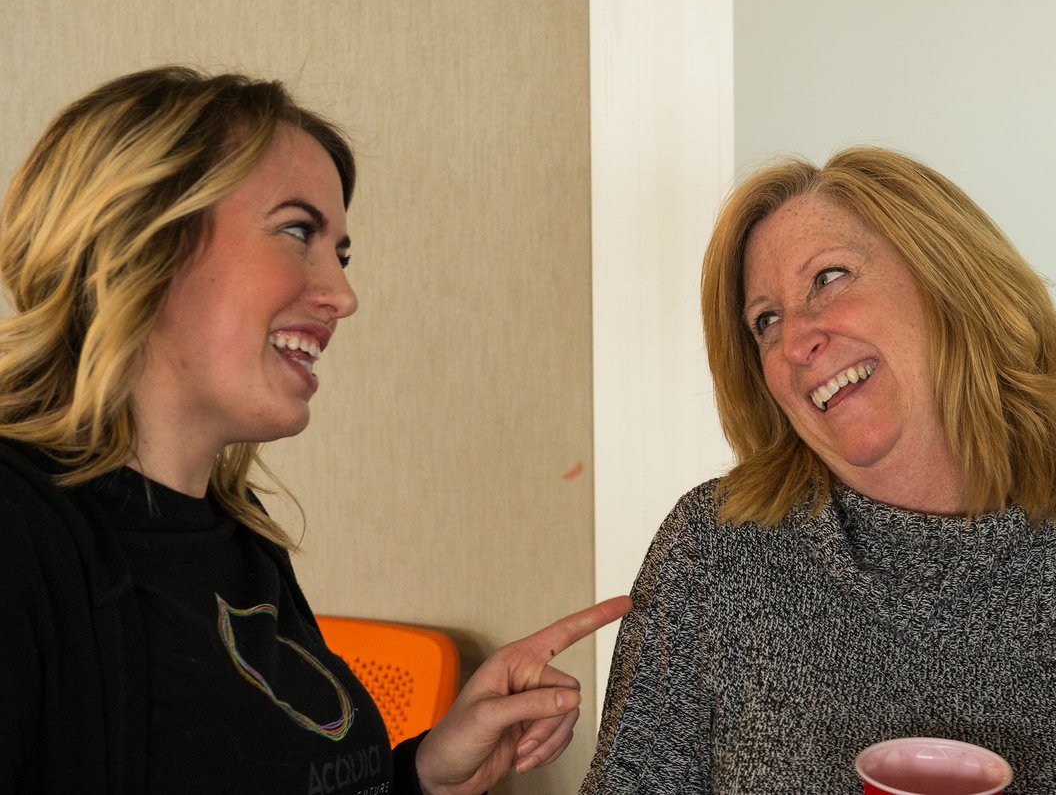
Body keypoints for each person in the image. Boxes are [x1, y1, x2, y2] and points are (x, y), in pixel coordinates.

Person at [0, 66, 629, 795]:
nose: (343, 295)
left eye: (341, 252)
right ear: (140, 243)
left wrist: (425, 777)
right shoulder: (18, 534)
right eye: (297, 231)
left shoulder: (242, 539)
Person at [580, 146, 1056, 793]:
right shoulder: (713, 552)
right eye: (765, 320)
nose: (795, 340)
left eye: (829, 278)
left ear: (950, 281)